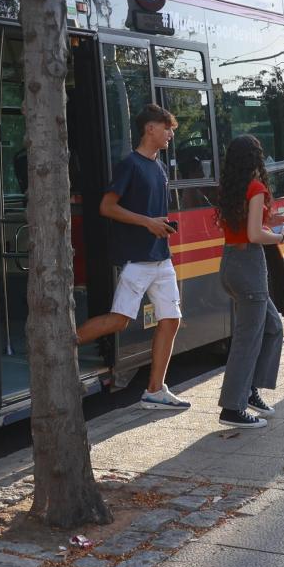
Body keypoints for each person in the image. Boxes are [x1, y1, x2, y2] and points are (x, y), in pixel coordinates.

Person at [76, 103, 187, 410]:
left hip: (160, 258)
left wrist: (159, 224)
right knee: (120, 320)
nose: (170, 135)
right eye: (166, 128)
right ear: (149, 128)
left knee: (172, 319)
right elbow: (106, 207)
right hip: (138, 260)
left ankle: (155, 390)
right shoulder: (130, 165)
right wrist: (147, 222)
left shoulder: (159, 167)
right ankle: (60, 347)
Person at [215, 135, 284, 429]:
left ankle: (248, 390)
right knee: (247, 341)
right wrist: (282, 237)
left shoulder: (230, 187)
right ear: (257, 158)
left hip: (230, 264)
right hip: (249, 263)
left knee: (273, 327)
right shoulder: (256, 187)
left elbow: (242, 229)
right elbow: (254, 235)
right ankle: (232, 409)